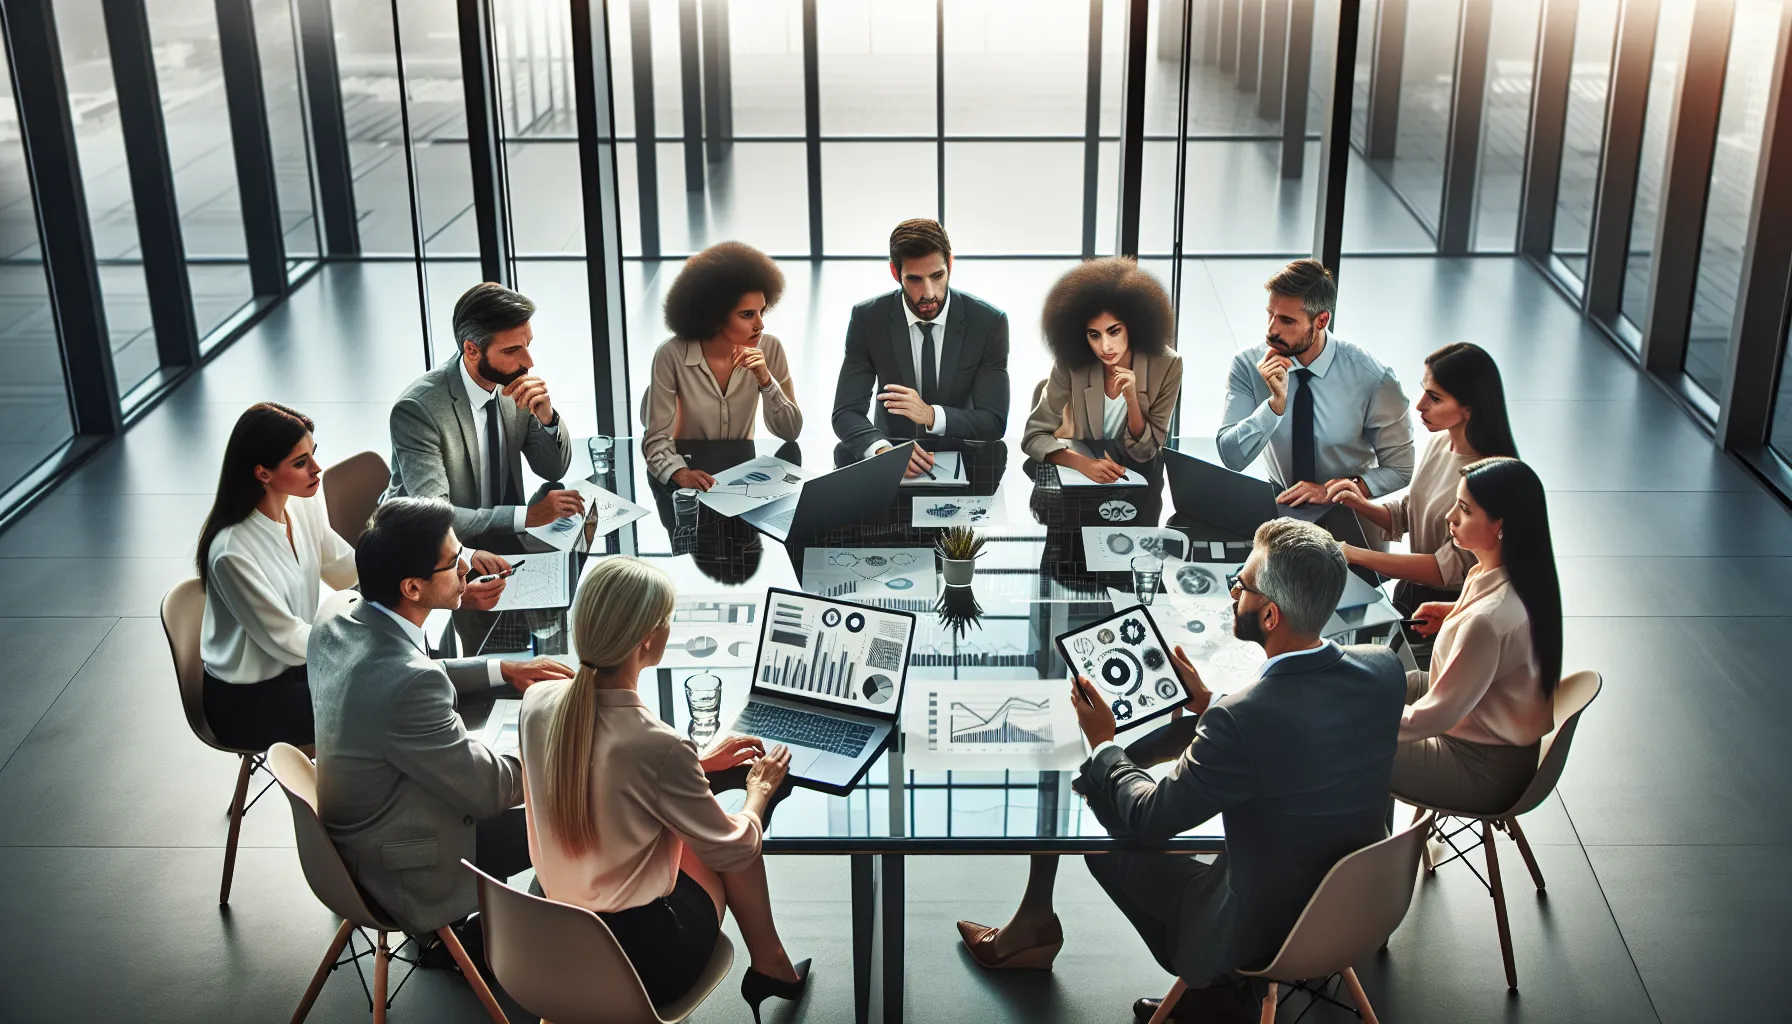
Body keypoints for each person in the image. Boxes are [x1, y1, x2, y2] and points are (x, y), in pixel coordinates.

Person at [972, 519, 1405, 1023]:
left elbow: (1152, 818)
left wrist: (1104, 744)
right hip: (1364, 907)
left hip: (1263, 932)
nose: (1233, 591)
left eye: (1240, 584)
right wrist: (1208, 704)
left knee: (1097, 822)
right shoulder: (1382, 669)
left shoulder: (1242, 720)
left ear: (1269, 615)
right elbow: (1308, 728)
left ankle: (1214, 983)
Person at [521, 557, 810, 1019]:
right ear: (649, 640)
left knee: (693, 827)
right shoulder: (658, 746)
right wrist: (759, 790)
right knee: (729, 844)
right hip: (638, 962)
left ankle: (772, 964)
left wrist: (694, 764)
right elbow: (734, 848)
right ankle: (771, 963)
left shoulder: (538, 702)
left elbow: (601, 770)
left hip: (546, 937)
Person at [308, 497, 572, 960]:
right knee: (568, 807)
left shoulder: (339, 613)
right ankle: (528, 947)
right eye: (455, 564)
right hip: (403, 866)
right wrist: (560, 748)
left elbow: (405, 673)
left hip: (349, 838)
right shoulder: (410, 684)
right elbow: (491, 789)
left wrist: (501, 669)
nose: (468, 572)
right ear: (412, 587)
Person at [196, 403, 506, 752]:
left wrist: (448, 581)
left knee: (407, 663)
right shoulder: (231, 553)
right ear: (262, 473)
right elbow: (287, 639)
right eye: (300, 463)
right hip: (252, 700)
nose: (317, 469)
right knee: (391, 696)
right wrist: (378, 646)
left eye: (313, 454)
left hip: (304, 664)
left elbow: (348, 569)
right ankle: (444, 768)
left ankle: (465, 745)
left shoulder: (302, 501)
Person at [1395, 457, 1561, 814]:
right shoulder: (1511, 577)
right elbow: (1492, 630)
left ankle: (1368, 856)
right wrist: (1453, 614)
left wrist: (1363, 721)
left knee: (1348, 741)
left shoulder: (1487, 622)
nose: (1449, 517)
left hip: (1479, 769)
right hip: (1493, 732)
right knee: (1389, 680)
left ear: (1501, 525)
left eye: (1465, 510)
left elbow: (1435, 717)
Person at [386, 282, 580, 558]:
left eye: (528, 344)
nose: (529, 361)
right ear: (472, 350)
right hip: (432, 552)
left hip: (501, 544)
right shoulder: (418, 410)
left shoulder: (512, 382)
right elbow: (433, 516)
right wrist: (526, 517)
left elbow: (553, 470)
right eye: (512, 350)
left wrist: (547, 418)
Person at [1330, 342, 1519, 611]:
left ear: (1471, 408)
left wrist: (1354, 555)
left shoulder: (1489, 479)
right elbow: (1412, 511)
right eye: (1424, 392)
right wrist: (1359, 503)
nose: (1420, 405)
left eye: (1435, 398)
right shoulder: (1440, 442)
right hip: (1410, 592)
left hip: (1448, 606)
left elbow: (1446, 569)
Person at [1216, 259, 1413, 513]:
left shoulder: (1373, 378)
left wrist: (1331, 491)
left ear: (1321, 321)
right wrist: (1274, 407)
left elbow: (1400, 469)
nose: (1271, 331)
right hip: (1280, 510)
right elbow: (1232, 457)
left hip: (1351, 512)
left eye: (1287, 321)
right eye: (1270, 314)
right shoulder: (1248, 364)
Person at [830, 218, 1011, 477]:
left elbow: (993, 421)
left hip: (964, 458)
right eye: (914, 279)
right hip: (892, 453)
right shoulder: (868, 319)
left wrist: (930, 415)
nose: (928, 293)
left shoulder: (988, 322)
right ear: (895, 273)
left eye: (937, 276)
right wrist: (883, 450)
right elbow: (846, 411)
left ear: (950, 264)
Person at [642, 242, 803, 491]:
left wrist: (766, 381)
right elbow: (655, 439)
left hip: (744, 485)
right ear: (715, 316)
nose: (760, 325)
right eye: (747, 315)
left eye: (762, 311)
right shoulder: (671, 354)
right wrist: (679, 473)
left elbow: (790, 432)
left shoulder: (769, 349)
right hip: (688, 484)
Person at [1022, 257, 1182, 482]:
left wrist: (1132, 400)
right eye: (1094, 335)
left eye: (1114, 331)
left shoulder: (1167, 365)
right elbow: (1032, 437)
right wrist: (1083, 463)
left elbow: (1145, 452)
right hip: (1080, 486)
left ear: (1134, 325)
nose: (1105, 346)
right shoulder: (1071, 361)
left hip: (1140, 483)